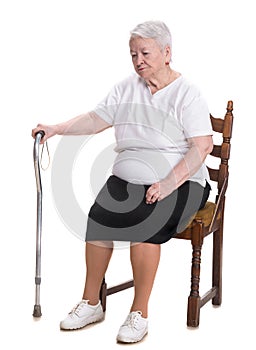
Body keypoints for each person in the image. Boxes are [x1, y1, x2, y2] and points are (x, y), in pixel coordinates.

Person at [32, 20, 213, 343]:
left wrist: (167, 184)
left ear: (167, 53)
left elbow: (202, 146)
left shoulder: (188, 93)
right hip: (129, 178)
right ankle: (91, 303)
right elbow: (95, 119)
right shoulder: (126, 88)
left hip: (182, 180)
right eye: (133, 54)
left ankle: (139, 313)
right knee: (99, 217)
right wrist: (57, 128)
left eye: (145, 53)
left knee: (147, 223)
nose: (138, 60)